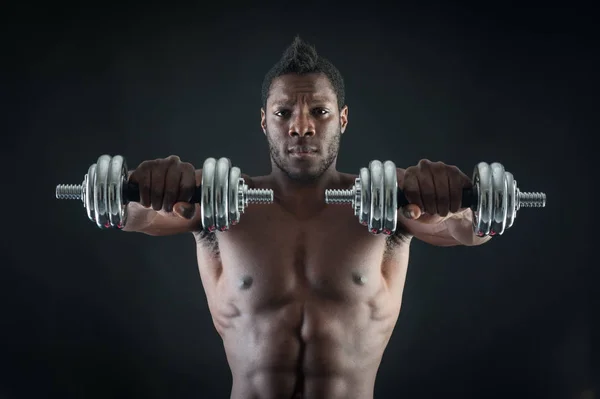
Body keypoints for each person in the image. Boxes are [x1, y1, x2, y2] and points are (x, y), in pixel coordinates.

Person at [124, 36, 491, 399]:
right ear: (265, 121)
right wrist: (151, 186)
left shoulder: (393, 201)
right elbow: (132, 216)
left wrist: (455, 197)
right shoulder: (215, 200)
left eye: (319, 111)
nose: (302, 127)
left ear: (342, 119)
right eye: (284, 113)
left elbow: (470, 229)